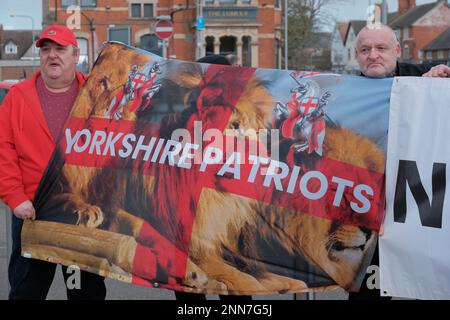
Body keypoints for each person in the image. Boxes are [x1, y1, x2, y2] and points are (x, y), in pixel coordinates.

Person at [0, 25, 106, 300]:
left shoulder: (97, 96)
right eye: (46, 50)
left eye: (60, 49)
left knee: (84, 293)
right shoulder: (17, 98)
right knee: (27, 291)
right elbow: (3, 150)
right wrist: (15, 197)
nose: (52, 56)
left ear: (76, 54)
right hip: (32, 213)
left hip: (82, 216)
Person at [349, 23, 449, 301]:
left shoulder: (424, 79)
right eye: (365, 50)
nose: (373, 55)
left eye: (381, 48)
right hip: (369, 214)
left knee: (425, 287)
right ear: (357, 56)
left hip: (422, 209)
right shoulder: (347, 95)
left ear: (397, 50)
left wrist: (442, 80)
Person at [174, 54, 251, 301]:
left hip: (226, 226)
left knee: (233, 291)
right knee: (192, 293)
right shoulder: (184, 118)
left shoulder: (242, 120)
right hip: (189, 225)